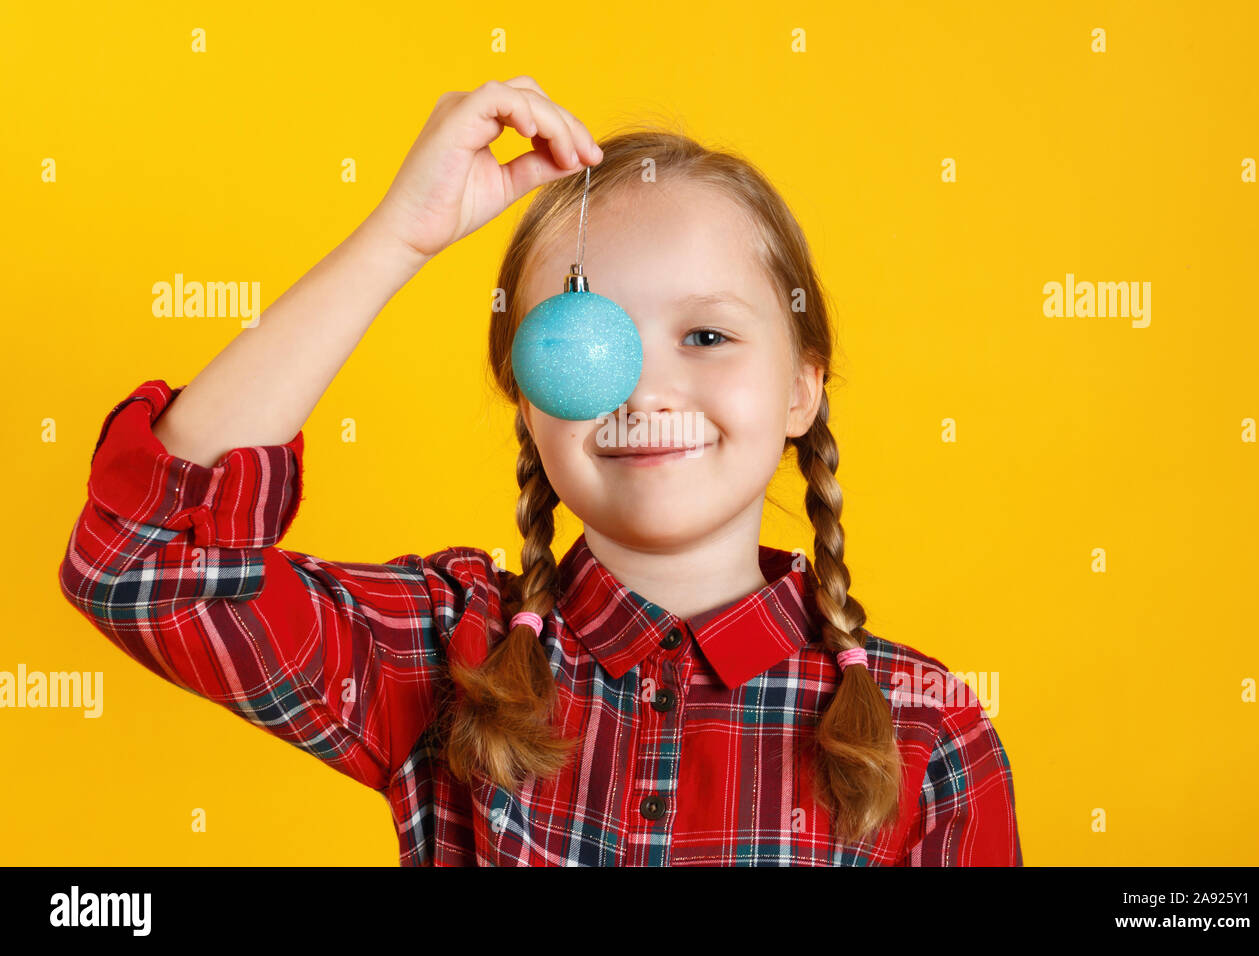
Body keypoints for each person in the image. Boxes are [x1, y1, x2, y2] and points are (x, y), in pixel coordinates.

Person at [58, 76, 1023, 866]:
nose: (641, 389)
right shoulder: (455, 653)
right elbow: (145, 569)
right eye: (585, 339)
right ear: (527, 393)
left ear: (801, 391)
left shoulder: (923, 732)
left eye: (707, 334)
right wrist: (397, 240)